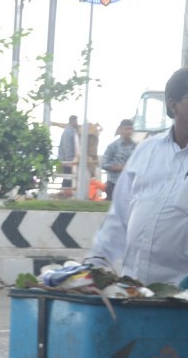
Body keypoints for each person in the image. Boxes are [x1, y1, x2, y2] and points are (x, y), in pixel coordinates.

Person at [90, 68, 188, 285]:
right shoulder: (146, 151)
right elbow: (119, 216)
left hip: (181, 299)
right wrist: (96, 263)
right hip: (133, 291)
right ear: (173, 104)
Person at [100, 118, 137, 202]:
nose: (129, 131)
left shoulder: (135, 146)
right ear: (120, 129)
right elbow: (104, 164)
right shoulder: (113, 146)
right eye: (126, 129)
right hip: (114, 183)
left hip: (130, 183)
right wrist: (122, 168)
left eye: (131, 129)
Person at [57, 114, 80, 195]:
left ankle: (65, 193)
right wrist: (70, 160)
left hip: (65, 158)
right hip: (67, 160)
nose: (77, 123)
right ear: (72, 121)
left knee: (67, 177)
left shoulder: (68, 130)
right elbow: (68, 146)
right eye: (76, 121)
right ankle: (65, 193)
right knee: (68, 177)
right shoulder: (69, 131)